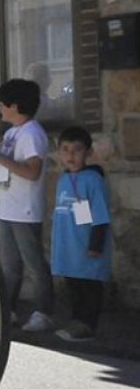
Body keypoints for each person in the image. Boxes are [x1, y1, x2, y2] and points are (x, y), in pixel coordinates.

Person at [0, 78, 54, 332]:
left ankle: (44, 312)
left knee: (34, 264)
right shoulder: (12, 133)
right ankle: (6, 309)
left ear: (15, 105)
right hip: (8, 208)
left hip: (25, 209)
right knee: (10, 266)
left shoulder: (33, 133)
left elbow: (32, 172)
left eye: (2, 104)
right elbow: (3, 164)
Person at [51, 126, 112, 342]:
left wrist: (96, 245)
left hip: (87, 248)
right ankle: (76, 322)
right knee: (74, 286)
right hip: (69, 248)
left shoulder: (93, 180)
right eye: (65, 150)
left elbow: (100, 216)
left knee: (89, 287)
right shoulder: (63, 180)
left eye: (77, 150)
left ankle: (88, 325)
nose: (71, 155)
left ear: (88, 153)